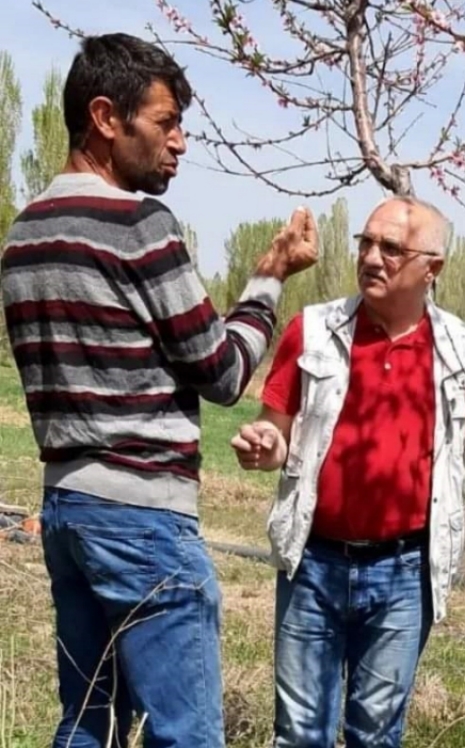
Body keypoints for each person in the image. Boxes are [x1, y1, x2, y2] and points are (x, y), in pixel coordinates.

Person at [0, 33, 317, 748]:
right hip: (143, 521)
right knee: (185, 734)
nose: (180, 143)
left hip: (66, 508)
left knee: (85, 725)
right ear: (106, 118)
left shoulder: (24, 235)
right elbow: (225, 373)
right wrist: (269, 278)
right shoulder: (140, 227)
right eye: (165, 122)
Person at [230, 194, 465, 748]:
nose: (372, 258)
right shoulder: (311, 331)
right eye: (366, 243)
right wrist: (266, 445)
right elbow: (277, 430)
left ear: (432, 268)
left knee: (377, 735)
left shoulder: (462, 349)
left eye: (391, 248)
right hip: (313, 563)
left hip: (404, 574)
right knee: (300, 733)